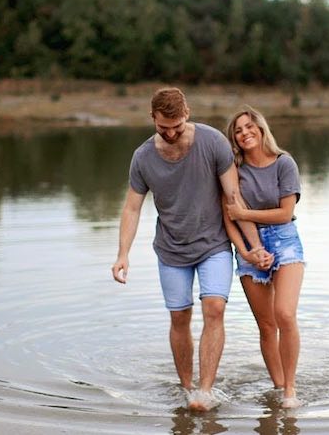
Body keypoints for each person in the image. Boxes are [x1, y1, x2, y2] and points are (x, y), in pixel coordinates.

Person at [111, 88, 270, 412]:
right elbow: (131, 208)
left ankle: (205, 391)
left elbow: (234, 198)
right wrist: (123, 254)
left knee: (215, 308)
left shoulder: (213, 143)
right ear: (152, 118)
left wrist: (254, 248)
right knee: (179, 316)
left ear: (187, 114)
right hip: (170, 250)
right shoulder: (143, 157)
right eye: (162, 127)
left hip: (213, 244)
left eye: (177, 126)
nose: (170, 133)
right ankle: (187, 388)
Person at [222, 106, 306, 409]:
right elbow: (228, 218)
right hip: (247, 247)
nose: (244, 133)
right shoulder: (233, 170)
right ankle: (279, 385)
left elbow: (286, 213)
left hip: (285, 241)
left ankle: (290, 392)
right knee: (267, 326)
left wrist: (246, 213)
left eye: (248, 127)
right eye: (238, 131)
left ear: (260, 128)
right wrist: (246, 251)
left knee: (285, 314)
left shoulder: (284, 163)